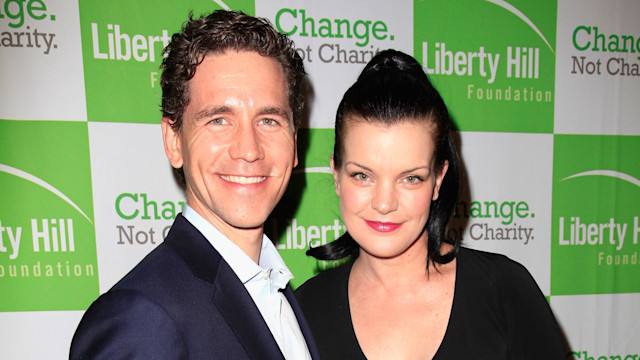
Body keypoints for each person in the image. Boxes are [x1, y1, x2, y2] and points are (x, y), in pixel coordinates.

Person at [70, 10, 320, 360]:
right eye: (219, 120)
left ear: (294, 144)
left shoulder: (278, 291)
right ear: (174, 141)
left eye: (268, 120)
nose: (248, 150)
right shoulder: (140, 319)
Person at [295, 49, 566, 359]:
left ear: (438, 179)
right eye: (363, 175)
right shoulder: (305, 310)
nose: (385, 204)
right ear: (336, 174)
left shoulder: (503, 291)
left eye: (411, 178)